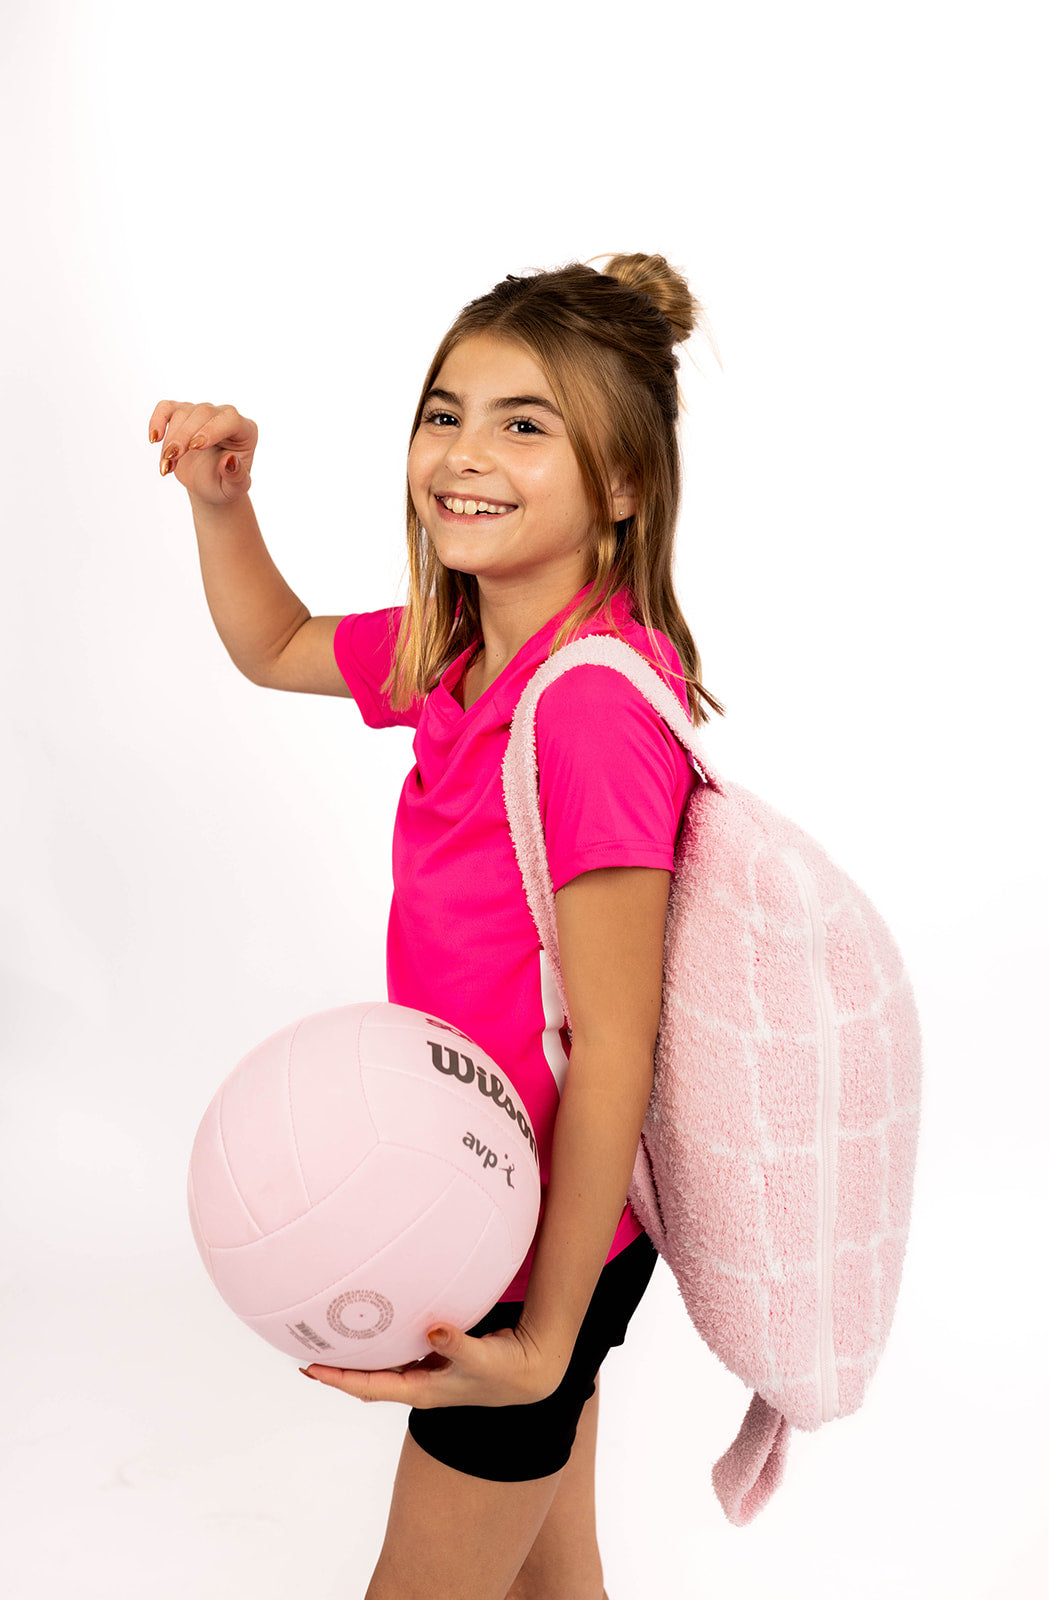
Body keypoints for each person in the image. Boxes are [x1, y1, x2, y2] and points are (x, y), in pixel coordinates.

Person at [149, 252, 725, 1600]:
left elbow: (618, 1049)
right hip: (501, 1211)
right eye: (446, 413)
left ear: (623, 484)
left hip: (542, 1243)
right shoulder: (459, 647)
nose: (465, 452)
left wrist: (544, 1339)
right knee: (553, 1582)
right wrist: (223, 503)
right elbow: (276, 643)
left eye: (526, 425)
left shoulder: (587, 709)